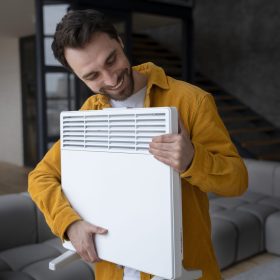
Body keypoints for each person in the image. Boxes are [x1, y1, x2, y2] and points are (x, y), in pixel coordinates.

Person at [28, 9, 248, 280]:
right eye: (92, 76)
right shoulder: (88, 114)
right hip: (113, 272)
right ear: (77, 76)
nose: (110, 79)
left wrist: (193, 160)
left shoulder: (192, 101)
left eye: (111, 60)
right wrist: (69, 223)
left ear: (119, 42)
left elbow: (237, 180)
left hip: (185, 270)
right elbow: (40, 177)